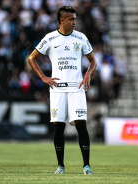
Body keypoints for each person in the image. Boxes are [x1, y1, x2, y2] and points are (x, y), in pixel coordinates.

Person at [28, 6, 97, 175]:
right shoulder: (50, 38)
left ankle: (86, 166)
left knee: (81, 126)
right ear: (62, 20)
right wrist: (44, 78)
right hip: (57, 89)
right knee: (58, 127)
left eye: (75, 19)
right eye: (71, 19)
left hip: (77, 88)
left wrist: (88, 73)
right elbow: (31, 58)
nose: (75, 22)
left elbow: (93, 61)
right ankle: (60, 166)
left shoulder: (80, 38)